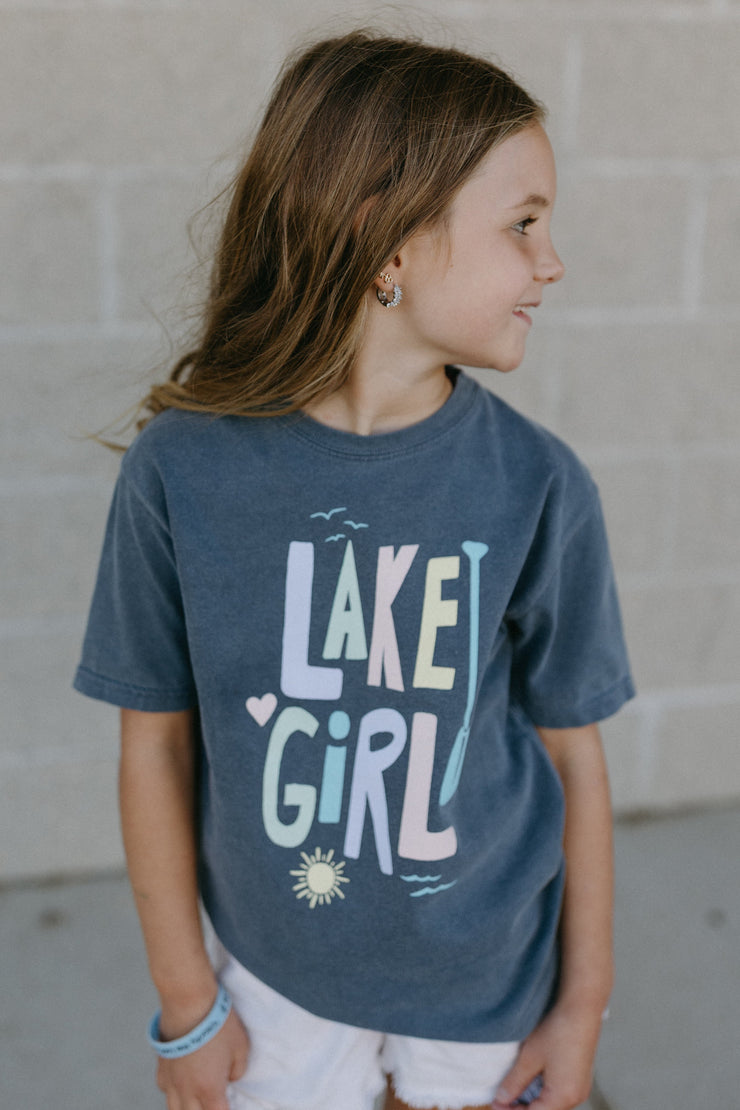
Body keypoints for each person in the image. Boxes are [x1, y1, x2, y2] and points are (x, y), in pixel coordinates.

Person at [74, 30, 635, 1110]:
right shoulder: (182, 471)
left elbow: (575, 760)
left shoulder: (537, 485)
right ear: (387, 240)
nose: (549, 262)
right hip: (273, 978)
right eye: (520, 227)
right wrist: (186, 999)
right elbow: (154, 744)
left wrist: (581, 1006)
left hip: (489, 982)